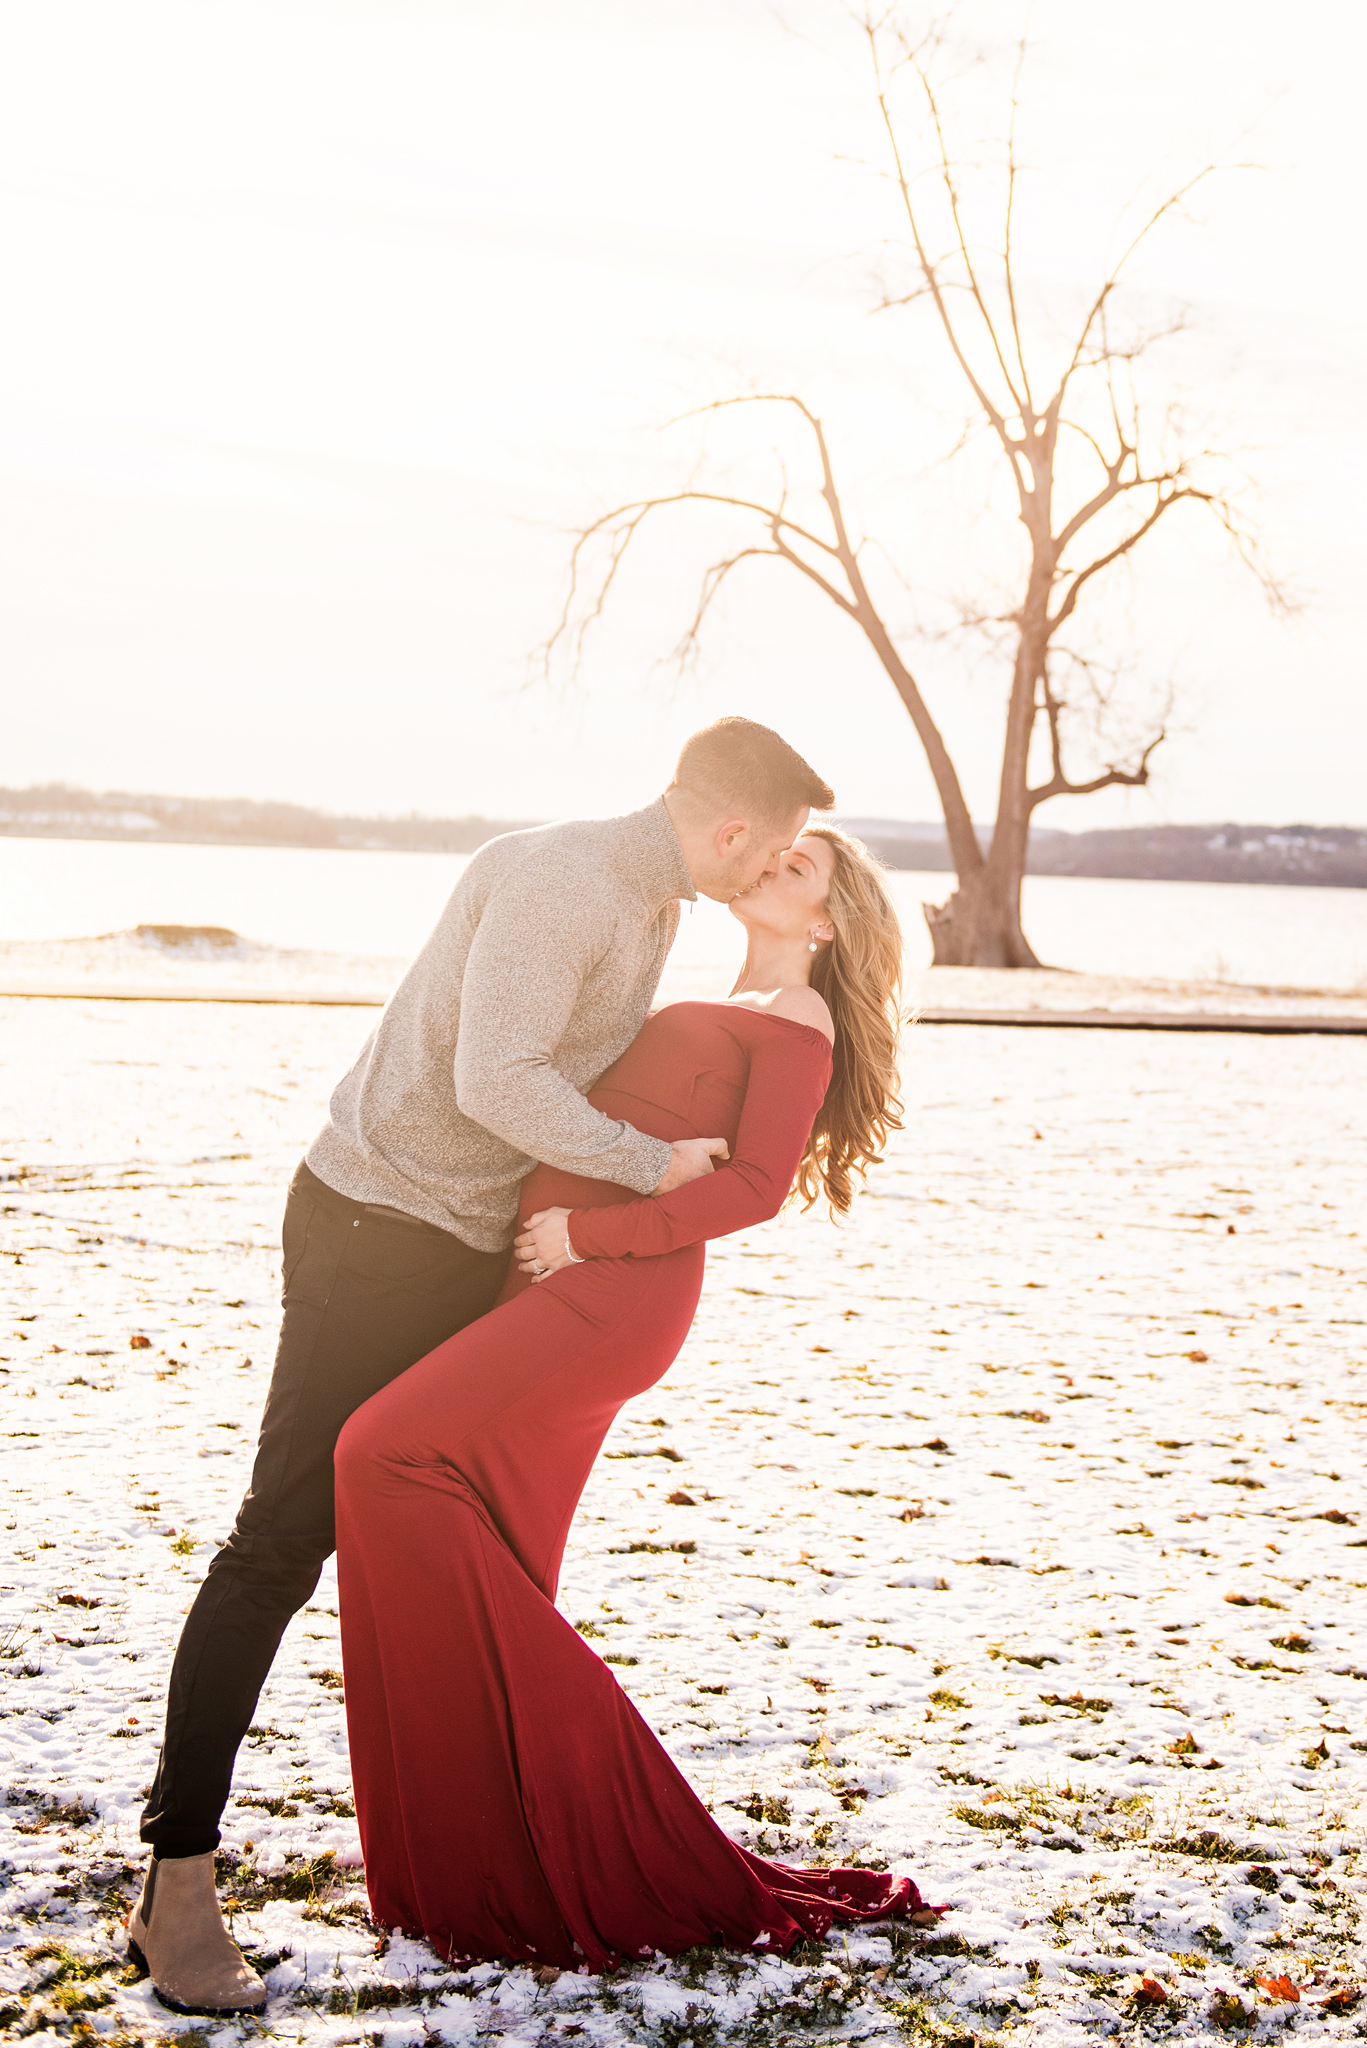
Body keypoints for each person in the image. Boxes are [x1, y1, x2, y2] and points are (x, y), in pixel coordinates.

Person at [129, 718, 834, 2017]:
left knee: (457, 1526)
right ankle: (175, 1882)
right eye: (779, 849)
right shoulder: (568, 882)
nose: (785, 868)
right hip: (374, 1225)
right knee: (282, 1539)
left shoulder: (654, 903)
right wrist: (653, 1173)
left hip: (471, 1247)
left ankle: (472, 1840)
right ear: (730, 831)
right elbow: (496, 1077)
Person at [333, 824, 935, 1970]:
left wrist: (589, 1232)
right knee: (499, 1549)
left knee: (378, 1455)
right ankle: (486, 1864)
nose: (770, 864)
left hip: (608, 1296)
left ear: (825, 922)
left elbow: (755, 1189)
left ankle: (598, 1803)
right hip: (555, 1277)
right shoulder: (719, 991)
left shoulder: (797, 1024)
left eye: (798, 869)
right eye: (774, 852)